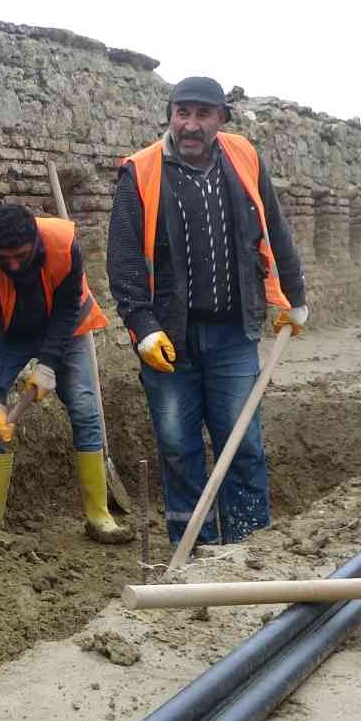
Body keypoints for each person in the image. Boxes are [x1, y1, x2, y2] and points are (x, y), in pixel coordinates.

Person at [106, 76, 308, 549]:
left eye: (202, 114)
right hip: (169, 340)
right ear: (170, 114)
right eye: (182, 112)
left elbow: (274, 228)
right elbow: (124, 260)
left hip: (233, 334)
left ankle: (249, 548)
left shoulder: (243, 158)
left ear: (221, 118)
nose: (190, 124)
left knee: (243, 444)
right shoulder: (140, 172)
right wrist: (142, 327)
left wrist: (293, 298)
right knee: (178, 449)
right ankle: (194, 548)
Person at [0, 204, 131, 543]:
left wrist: (47, 365)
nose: (13, 265)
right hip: (12, 332)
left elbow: (66, 310)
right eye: (5, 258)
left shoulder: (64, 245)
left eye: (21, 256)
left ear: (36, 244)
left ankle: (99, 517)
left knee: (85, 410)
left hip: (66, 328)